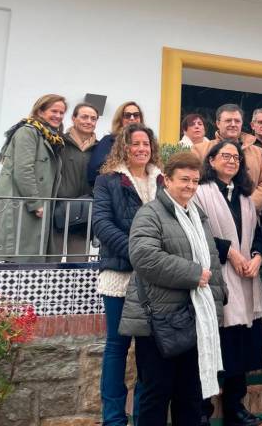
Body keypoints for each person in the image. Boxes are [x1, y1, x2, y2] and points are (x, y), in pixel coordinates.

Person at [118, 152, 226, 425]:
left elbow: (211, 262)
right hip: (159, 322)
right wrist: (193, 274)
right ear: (166, 180)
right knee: (156, 395)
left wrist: (219, 299)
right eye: (184, 180)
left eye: (195, 180)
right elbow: (144, 257)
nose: (190, 186)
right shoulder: (150, 213)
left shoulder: (197, 216)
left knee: (189, 397)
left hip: (194, 320)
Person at [194, 140, 262, 425]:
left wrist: (258, 257)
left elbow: (259, 235)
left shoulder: (245, 197)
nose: (232, 161)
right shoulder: (200, 193)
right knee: (213, 348)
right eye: (225, 156)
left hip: (247, 281)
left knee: (239, 350)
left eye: (236, 157)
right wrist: (230, 252)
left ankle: (235, 407)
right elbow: (196, 234)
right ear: (211, 161)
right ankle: (202, 411)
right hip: (216, 281)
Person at [92, 123, 162, 425]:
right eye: (135, 143)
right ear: (125, 146)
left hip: (155, 279)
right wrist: (138, 254)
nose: (141, 149)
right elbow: (103, 225)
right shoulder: (108, 180)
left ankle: (144, 417)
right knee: (117, 347)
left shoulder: (161, 179)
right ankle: (113, 418)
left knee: (149, 350)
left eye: (146, 143)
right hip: (121, 275)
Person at [0, 94, 66, 262]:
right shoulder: (27, 132)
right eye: (53, 111)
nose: (58, 116)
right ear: (40, 111)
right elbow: (23, 170)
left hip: (35, 205)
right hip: (21, 204)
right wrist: (35, 202)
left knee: (32, 258)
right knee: (18, 258)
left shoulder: (50, 136)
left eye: (62, 112)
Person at [191, 104, 262, 211]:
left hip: (249, 217)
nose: (233, 124)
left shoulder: (257, 152)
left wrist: (249, 205)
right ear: (218, 123)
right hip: (210, 215)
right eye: (228, 120)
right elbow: (192, 180)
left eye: (237, 121)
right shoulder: (199, 150)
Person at [49, 102, 98, 260]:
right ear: (73, 118)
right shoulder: (58, 142)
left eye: (93, 118)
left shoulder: (100, 148)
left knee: (77, 269)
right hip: (57, 213)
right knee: (49, 265)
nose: (88, 121)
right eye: (84, 117)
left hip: (84, 217)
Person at [88, 101, 145, 187]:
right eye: (127, 115)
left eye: (136, 115)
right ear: (120, 119)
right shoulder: (108, 141)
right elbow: (94, 171)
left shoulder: (149, 142)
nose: (132, 118)